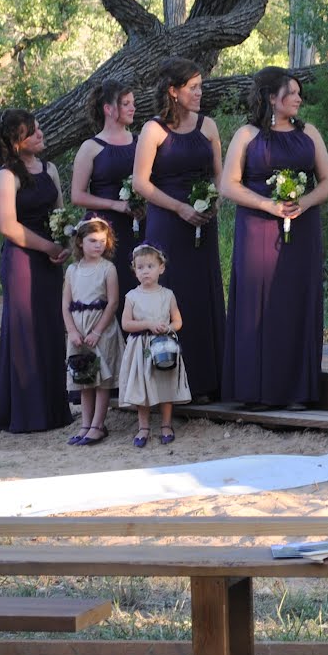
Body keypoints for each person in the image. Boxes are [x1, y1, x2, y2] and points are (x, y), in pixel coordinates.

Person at [220, 67, 328, 410]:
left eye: (300, 93)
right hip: (257, 228)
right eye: (292, 93)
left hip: (302, 228)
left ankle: (298, 391)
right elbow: (228, 185)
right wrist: (268, 205)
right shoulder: (247, 135)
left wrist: (305, 203)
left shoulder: (309, 133)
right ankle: (256, 391)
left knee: (297, 300)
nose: (299, 98)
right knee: (258, 302)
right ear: (272, 98)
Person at [133, 58, 225, 403]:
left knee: (202, 294)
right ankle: (169, 384)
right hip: (168, 223)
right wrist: (180, 208)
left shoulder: (208, 126)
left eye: (201, 86)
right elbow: (141, 183)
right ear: (173, 91)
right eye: (193, 87)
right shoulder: (154, 130)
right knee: (172, 293)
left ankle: (207, 381)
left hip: (203, 223)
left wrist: (214, 204)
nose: (200, 93)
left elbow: (220, 175)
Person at [0, 108, 72, 434]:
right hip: (22, 259)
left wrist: (64, 242)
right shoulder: (7, 176)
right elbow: (7, 226)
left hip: (51, 260)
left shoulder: (50, 169)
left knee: (50, 328)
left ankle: (53, 408)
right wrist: (47, 246)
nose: (40, 134)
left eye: (39, 128)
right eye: (32, 131)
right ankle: (26, 412)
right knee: (25, 331)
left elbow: (60, 211)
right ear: (16, 141)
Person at [71, 80, 140, 300]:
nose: (133, 108)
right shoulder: (91, 147)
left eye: (133, 103)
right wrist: (115, 205)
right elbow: (77, 195)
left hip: (139, 223)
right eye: (126, 104)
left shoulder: (140, 142)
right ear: (108, 109)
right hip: (106, 230)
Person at [119, 243, 190, 448]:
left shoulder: (167, 294)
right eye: (140, 267)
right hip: (140, 348)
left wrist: (168, 328)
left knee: (165, 384)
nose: (145, 271)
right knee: (143, 386)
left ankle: (166, 424)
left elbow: (178, 321)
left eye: (150, 266)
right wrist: (148, 324)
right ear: (134, 271)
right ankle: (143, 427)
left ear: (161, 268)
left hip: (163, 346)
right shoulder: (132, 296)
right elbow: (126, 324)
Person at [62, 217, 122, 446]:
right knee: (84, 378)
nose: (98, 245)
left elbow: (113, 302)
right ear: (80, 242)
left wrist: (97, 331)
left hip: (101, 329)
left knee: (101, 380)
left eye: (102, 241)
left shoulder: (108, 269)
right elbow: (65, 304)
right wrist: (71, 331)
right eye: (92, 241)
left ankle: (98, 426)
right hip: (79, 331)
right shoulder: (72, 270)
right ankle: (85, 425)